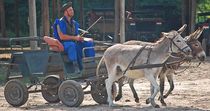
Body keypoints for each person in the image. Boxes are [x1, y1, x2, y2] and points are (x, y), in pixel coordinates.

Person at [53, 2, 95, 72]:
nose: (72, 11)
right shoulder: (59, 22)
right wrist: (75, 38)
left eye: (72, 10)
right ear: (65, 12)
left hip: (74, 42)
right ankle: (76, 67)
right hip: (63, 44)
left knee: (88, 43)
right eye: (70, 10)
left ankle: (90, 64)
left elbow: (76, 35)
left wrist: (81, 38)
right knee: (72, 45)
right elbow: (62, 37)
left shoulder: (74, 23)